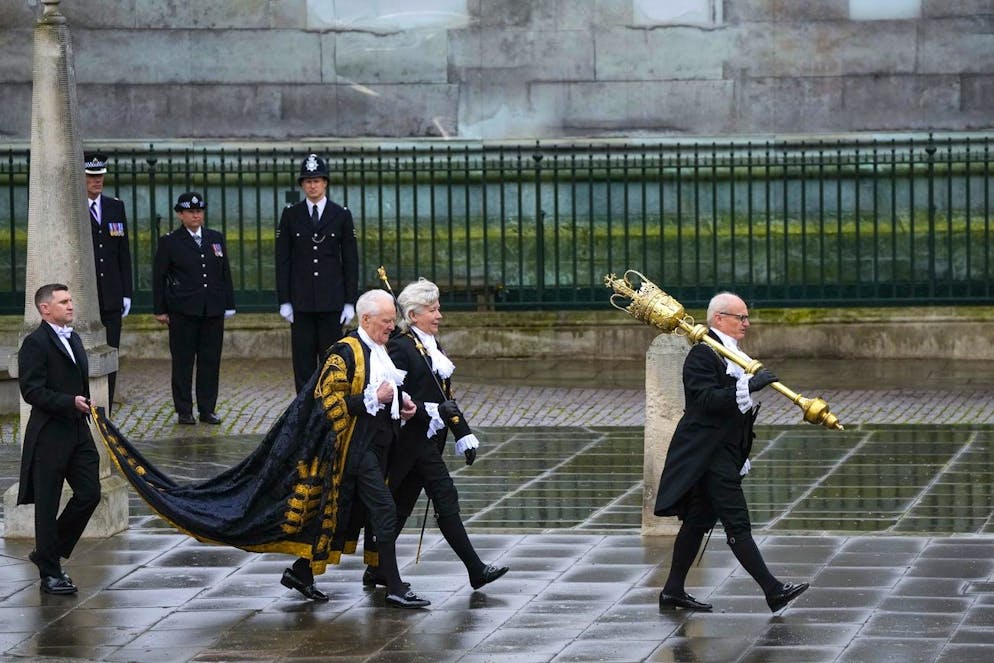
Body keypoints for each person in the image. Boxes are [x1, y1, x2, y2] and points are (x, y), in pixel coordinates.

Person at [654, 292, 809, 613]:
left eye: (746, 317)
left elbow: (733, 413)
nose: (746, 323)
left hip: (722, 452)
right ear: (719, 318)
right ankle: (773, 590)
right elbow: (707, 400)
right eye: (741, 317)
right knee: (736, 522)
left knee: (697, 522)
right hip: (707, 454)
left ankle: (672, 591)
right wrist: (749, 386)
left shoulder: (729, 353)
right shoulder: (701, 355)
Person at [280, 288, 430, 608]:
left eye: (393, 320)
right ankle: (394, 586)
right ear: (366, 319)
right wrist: (372, 399)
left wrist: (400, 403)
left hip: (380, 444)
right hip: (356, 449)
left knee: (348, 515)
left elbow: (386, 388)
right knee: (384, 510)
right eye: (386, 320)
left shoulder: (381, 348)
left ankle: (301, 572)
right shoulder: (344, 352)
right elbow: (327, 404)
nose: (392, 326)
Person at [362, 278, 508, 591]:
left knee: (401, 505)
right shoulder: (400, 347)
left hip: (426, 440)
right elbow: (397, 395)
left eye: (438, 308)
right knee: (444, 495)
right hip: (410, 441)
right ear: (413, 315)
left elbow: (445, 397)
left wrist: (462, 433)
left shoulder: (431, 345)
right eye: (432, 310)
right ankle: (476, 569)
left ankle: (376, 569)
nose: (439, 315)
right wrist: (431, 412)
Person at [17, 284, 101, 595]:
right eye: (63, 301)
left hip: (78, 432)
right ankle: (50, 574)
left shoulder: (75, 338)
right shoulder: (35, 343)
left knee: (90, 493)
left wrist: (84, 405)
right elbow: (32, 391)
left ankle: (46, 553)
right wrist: (69, 402)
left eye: (70, 300)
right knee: (47, 505)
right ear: (45, 309)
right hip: (49, 435)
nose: (70, 305)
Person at [275, 153, 359, 393]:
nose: (312, 185)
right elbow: (283, 260)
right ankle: (303, 408)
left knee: (332, 360)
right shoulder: (291, 215)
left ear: (325, 183)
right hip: (301, 302)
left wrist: (349, 301)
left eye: (317, 180)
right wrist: (285, 300)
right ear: (302, 185)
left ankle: (330, 406)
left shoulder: (341, 214)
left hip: (331, 301)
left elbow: (350, 261)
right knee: (303, 362)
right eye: (308, 181)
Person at [152, 192, 235, 425]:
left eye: (199, 211)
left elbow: (224, 273)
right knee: (183, 362)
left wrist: (229, 304)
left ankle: (207, 409)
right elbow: (159, 277)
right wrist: (160, 309)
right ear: (180, 214)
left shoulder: (215, 238)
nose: (196, 215)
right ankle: (184, 410)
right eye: (190, 212)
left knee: (210, 361)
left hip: (212, 310)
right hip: (183, 311)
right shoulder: (170, 241)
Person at [84, 152, 133, 414]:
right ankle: (85, 409)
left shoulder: (115, 207)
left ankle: (107, 410)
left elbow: (123, 252)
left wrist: (127, 292)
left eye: (100, 175)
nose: (97, 181)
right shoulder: (74, 208)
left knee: (111, 353)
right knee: (83, 354)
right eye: (92, 176)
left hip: (112, 294)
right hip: (85, 296)